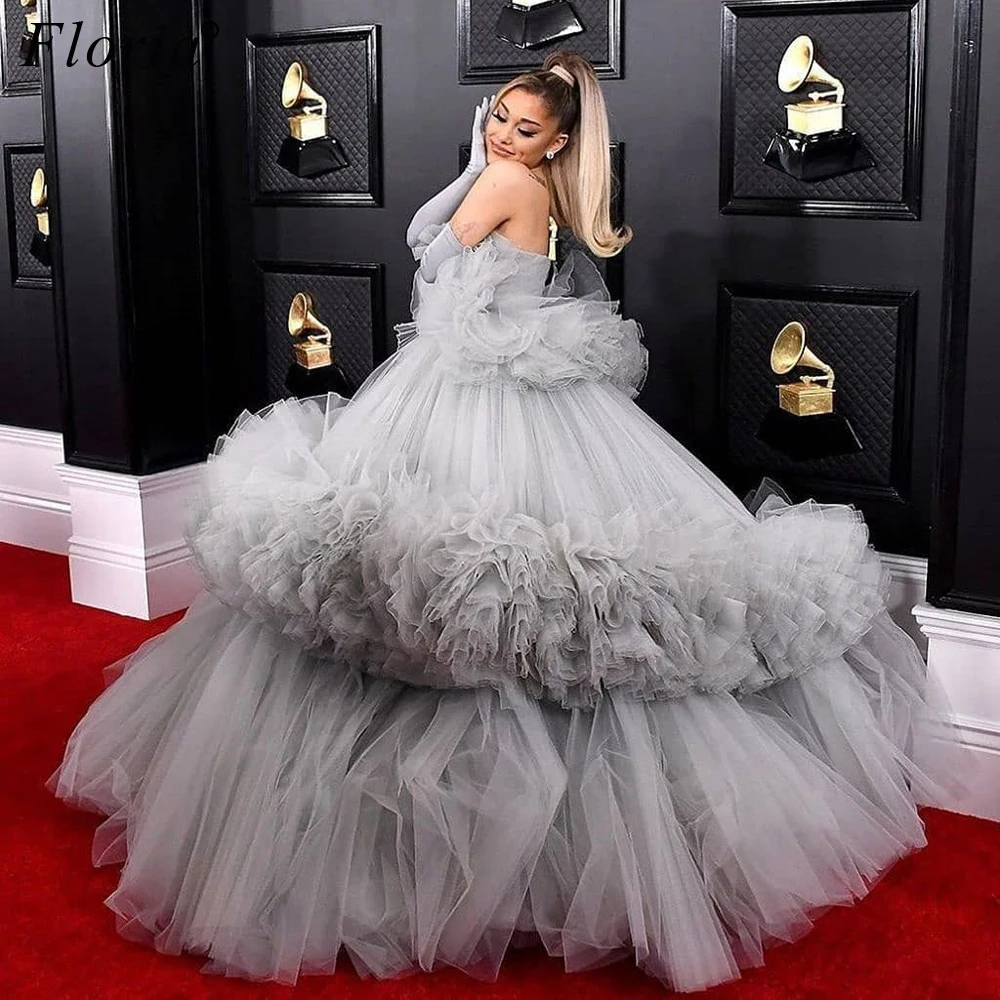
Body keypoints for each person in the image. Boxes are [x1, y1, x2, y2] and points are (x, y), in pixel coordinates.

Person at [48, 50, 960, 993]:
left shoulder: (509, 183)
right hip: (494, 382)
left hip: (477, 391)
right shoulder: (542, 188)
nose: (503, 136)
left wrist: (476, 172)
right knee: (505, 584)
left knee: (472, 586)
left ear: (558, 140)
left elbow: (425, 248)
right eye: (498, 119)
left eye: (525, 128)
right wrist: (480, 163)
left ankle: (488, 838)